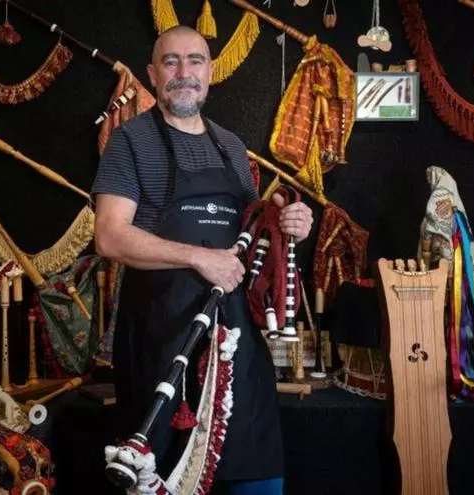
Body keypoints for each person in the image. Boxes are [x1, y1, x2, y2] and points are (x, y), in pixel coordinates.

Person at [92, 26, 314, 494]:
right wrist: (199, 258)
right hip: (162, 338)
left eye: (194, 60)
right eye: (170, 61)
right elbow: (109, 237)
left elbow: (256, 227)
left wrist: (289, 220)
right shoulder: (129, 141)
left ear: (210, 72)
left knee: (255, 474)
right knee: (162, 474)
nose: (184, 72)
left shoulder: (230, 146)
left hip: (236, 344)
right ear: (153, 74)